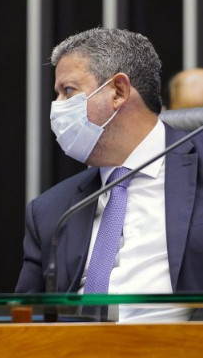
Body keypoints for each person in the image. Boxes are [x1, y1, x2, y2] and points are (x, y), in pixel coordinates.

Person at [15, 28, 203, 322]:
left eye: (68, 91)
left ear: (118, 91)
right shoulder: (51, 210)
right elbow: (24, 323)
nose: (57, 108)